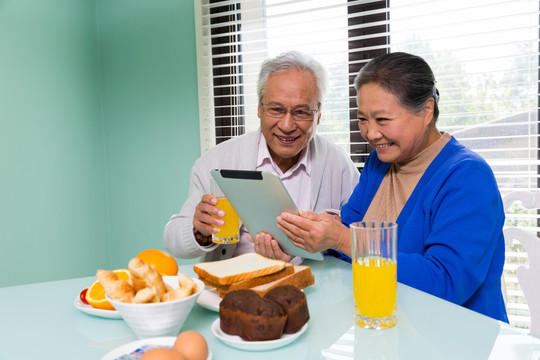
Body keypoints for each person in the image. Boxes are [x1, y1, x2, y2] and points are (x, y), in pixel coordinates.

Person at [273, 52, 508, 322]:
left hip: (454, 335)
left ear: (426, 111)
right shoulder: (379, 162)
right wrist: (307, 239)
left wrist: (341, 239)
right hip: (385, 324)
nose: (371, 133)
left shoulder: (468, 176)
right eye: (363, 119)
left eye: (382, 120)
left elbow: (445, 283)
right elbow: (345, 238)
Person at [163, 51, 359, 263]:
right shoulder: (217, 161)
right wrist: (200, 231)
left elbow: (364, 239)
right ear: (259, 108)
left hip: (313, 287)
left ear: (318, 116)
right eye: (276, 109)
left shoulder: (338, 164)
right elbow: (173, 239)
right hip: (236, 287)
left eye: (301, 112)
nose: (286, 126)